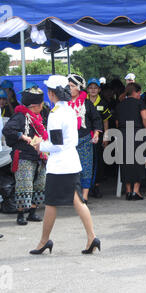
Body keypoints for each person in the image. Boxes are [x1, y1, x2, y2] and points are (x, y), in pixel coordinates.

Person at [30, 75, 100, 255]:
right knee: (78, 201)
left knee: (52, 203)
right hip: (71, 162)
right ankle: (92, 237)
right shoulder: (69, 110)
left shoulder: (55, 114)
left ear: (52, 93)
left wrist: (39, 145)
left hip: (60, 165)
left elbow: (56, 144)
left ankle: (44, 241)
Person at [2, 87, 47, 225]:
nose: (42, 107)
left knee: (39, 184)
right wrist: (21, 136)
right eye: (41, 105)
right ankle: (21, 214)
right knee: (24, 186)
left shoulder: (40, 117)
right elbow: (7, 129)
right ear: (34, 106)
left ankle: (33, 212)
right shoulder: (20, 116)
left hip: (39, 156)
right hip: (24, 156)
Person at [68, 74, 103, 203]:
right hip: (68, 142)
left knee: (86, 167)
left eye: (72, 86)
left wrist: (96, 133)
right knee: (70, 168)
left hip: (85, 139)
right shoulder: (64, 104)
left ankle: (85, 195)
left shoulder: (87, 103)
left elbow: (96, 119)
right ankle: (73, 195)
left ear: (78, 88)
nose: (69, 88)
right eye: (68, 86)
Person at [116, 83, 146, 200]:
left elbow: (116, 122)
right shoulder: (140, 103)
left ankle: (128, 191)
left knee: (125, 162)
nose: (139, 95)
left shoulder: (120, 105)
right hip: (137, 133)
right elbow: (145, 118)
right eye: (139, 92)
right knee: (138, 161)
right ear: (135, 92)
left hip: (122, 133)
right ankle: (136, 191)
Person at [86, 78, 112, 198]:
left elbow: (105, 121)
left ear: (99, 89)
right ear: (87, 89)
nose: (93, 90)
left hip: (99, 136)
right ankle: (85, 187)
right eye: (90, 88)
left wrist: (106, 137)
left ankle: (96, 186)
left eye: (95, 88)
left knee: (98, 162)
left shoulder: (103, 103)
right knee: (86, 161)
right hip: (85, 136)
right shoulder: (82, 101)